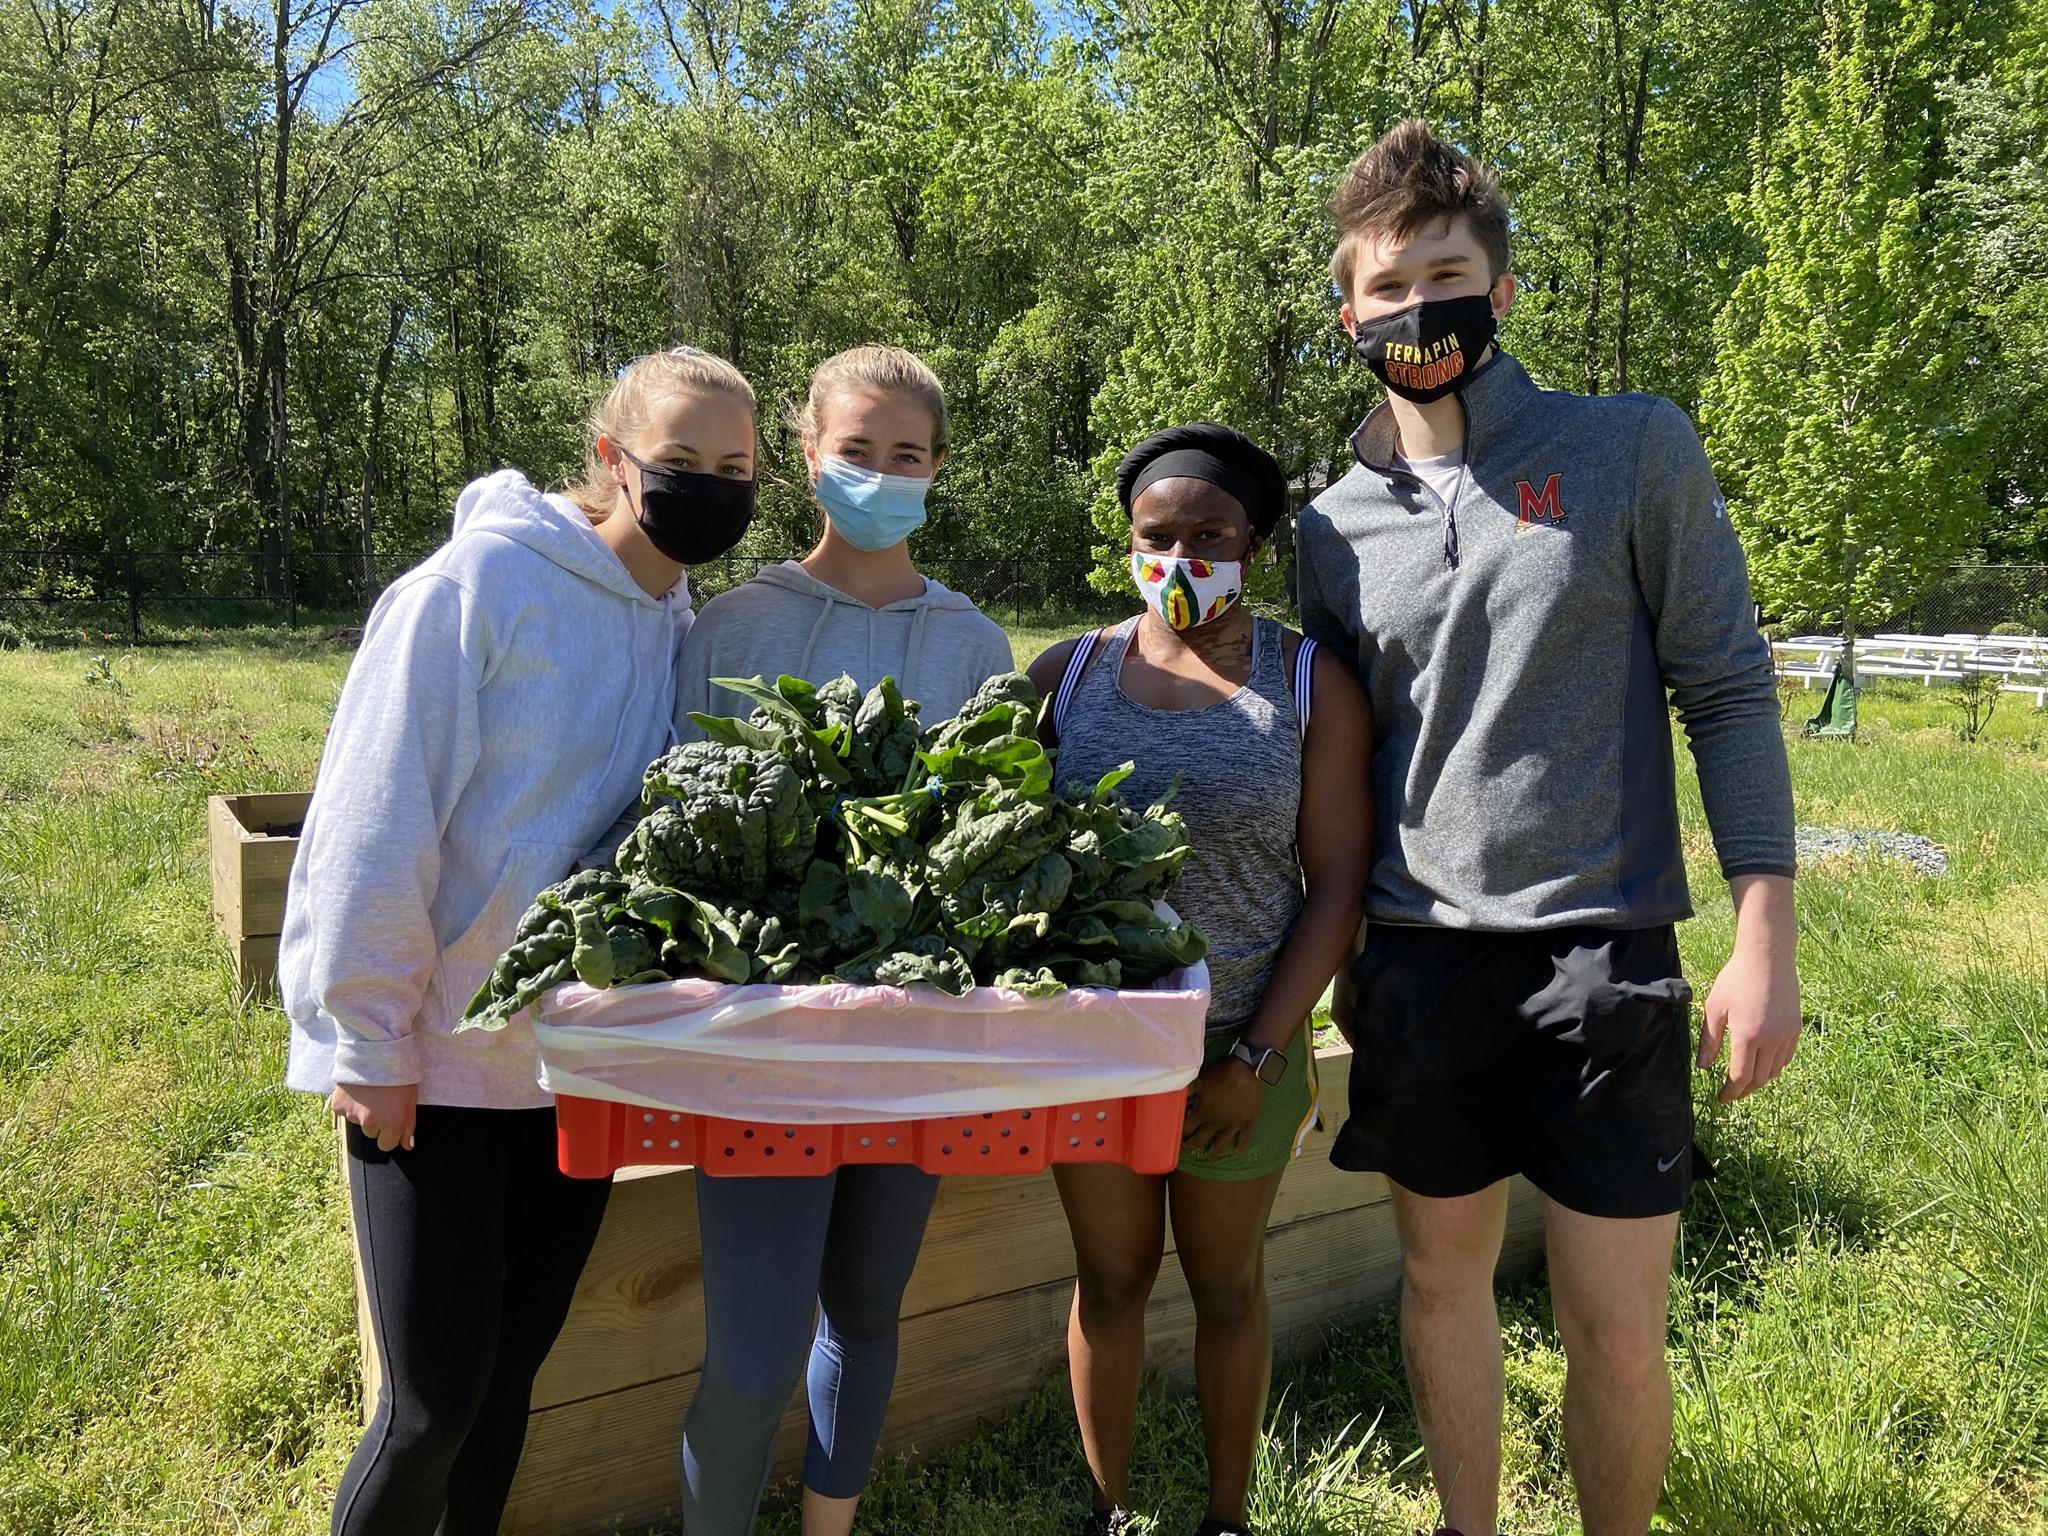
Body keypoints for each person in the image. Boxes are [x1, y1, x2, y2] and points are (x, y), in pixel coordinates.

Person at [1297, 121, 1801, 1536]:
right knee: (1445, 1288)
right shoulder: (1331, 526)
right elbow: (1344, 759)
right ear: (1350, 314)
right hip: (1418, 960)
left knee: (1613, 1328)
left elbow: (1729, 688)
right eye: (1386, 289)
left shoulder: (1632, 449)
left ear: (1502, 291)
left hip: (1605, 958)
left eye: (1443, 275)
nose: (1416, 311)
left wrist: (1766, 932)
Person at [280, 346, 760, 1536]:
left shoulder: (670, 621)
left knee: (504, 1388)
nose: (708, 485)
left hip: (567, 1067)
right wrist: (373, 1038)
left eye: (734, 468)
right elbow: (374, 819)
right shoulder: (477, 587)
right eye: (680, 461)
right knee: (430, 1404)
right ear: (610, 459)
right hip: (433, 1064)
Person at [670, 344, 1014, 1536]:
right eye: (854, 451)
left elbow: (986, 830)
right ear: (807, 460)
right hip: (761, 1037)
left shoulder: (974, 647)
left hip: (909, 1031)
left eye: (904, 455)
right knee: (756, 1359)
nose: (878, 473)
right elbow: (673, 823)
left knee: (864, 1309)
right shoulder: (731, 623)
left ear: (936, 471)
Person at [1026, 423, 1375, 1536]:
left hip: (1241, 1051)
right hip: (1093, 1051)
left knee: (1226, 1288)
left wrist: (1260, 1054)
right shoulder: (1065, 676)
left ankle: (1226, 1517)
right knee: (1111, 1283)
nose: (1181, 558)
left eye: (1209, 534)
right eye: (1155, 535)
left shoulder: (1309, 684)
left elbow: (1334, 883)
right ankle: (1108, 1512)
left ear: (1254, 544)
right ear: (1126, 542)